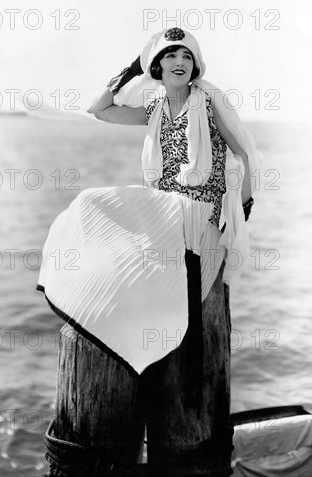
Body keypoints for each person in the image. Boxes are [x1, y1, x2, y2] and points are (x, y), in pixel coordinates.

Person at [38, 27, 261, 476]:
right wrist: (131, 69)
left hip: (198, 215)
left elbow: (247, 154)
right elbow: (98, 110)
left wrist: (242, 210)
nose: (178, 62)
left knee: (105, 210)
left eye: (186, 55)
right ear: (156, 67)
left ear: (195, 64)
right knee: (91, 207)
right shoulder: (156, 103)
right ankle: (99, 312)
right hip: (165, 210)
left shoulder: (209, 99)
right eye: (168, 56)